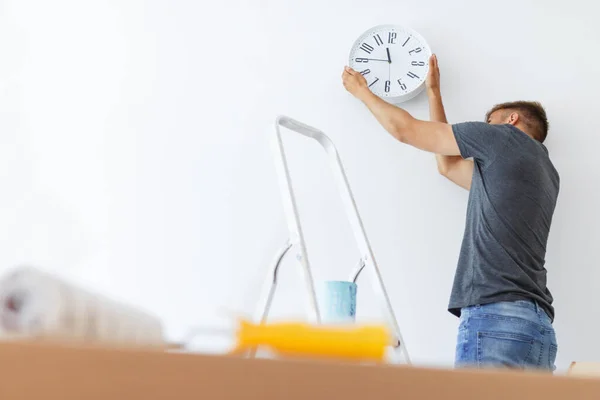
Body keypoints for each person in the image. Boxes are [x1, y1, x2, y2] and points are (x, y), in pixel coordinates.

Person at [341, 54, 559, 371]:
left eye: (490, 123)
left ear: (510, 120)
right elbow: (447, 164)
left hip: (496, 318)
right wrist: (433, 93)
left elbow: (405, 130)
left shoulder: (502, 138)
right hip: (536, 328)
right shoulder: (544, 172)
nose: (485, 130)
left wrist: (362, 90)